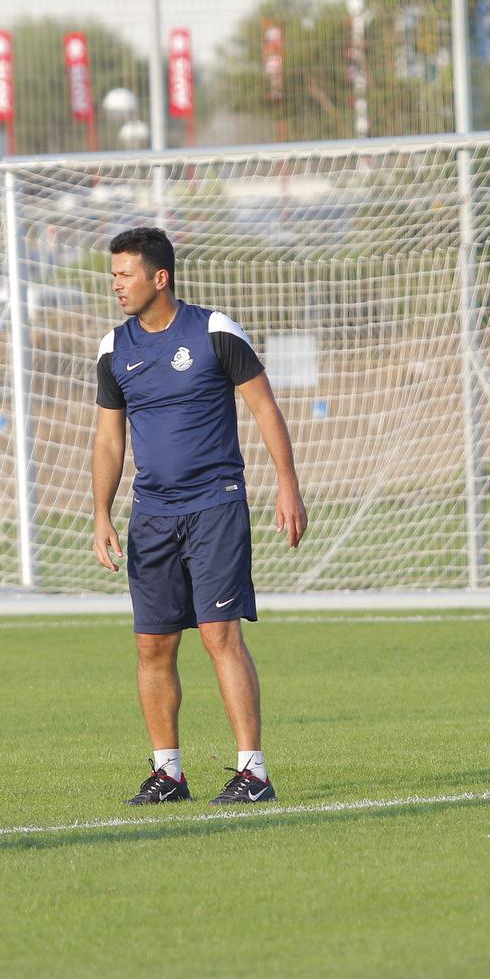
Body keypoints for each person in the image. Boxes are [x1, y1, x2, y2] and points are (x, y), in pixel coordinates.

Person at [91, 227, 308, 807]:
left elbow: (265, 408)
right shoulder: (114, 349)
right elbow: (109, 440)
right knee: (152, 646)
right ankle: (168, 774)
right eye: (113, 275)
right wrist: (101, 513)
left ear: (159, 278)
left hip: (215, 504)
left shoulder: (214, 331)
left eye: (125, 274)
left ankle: (253, 772)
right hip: (152, 515)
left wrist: (288, 486)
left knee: (220, 635)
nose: (116, 285)